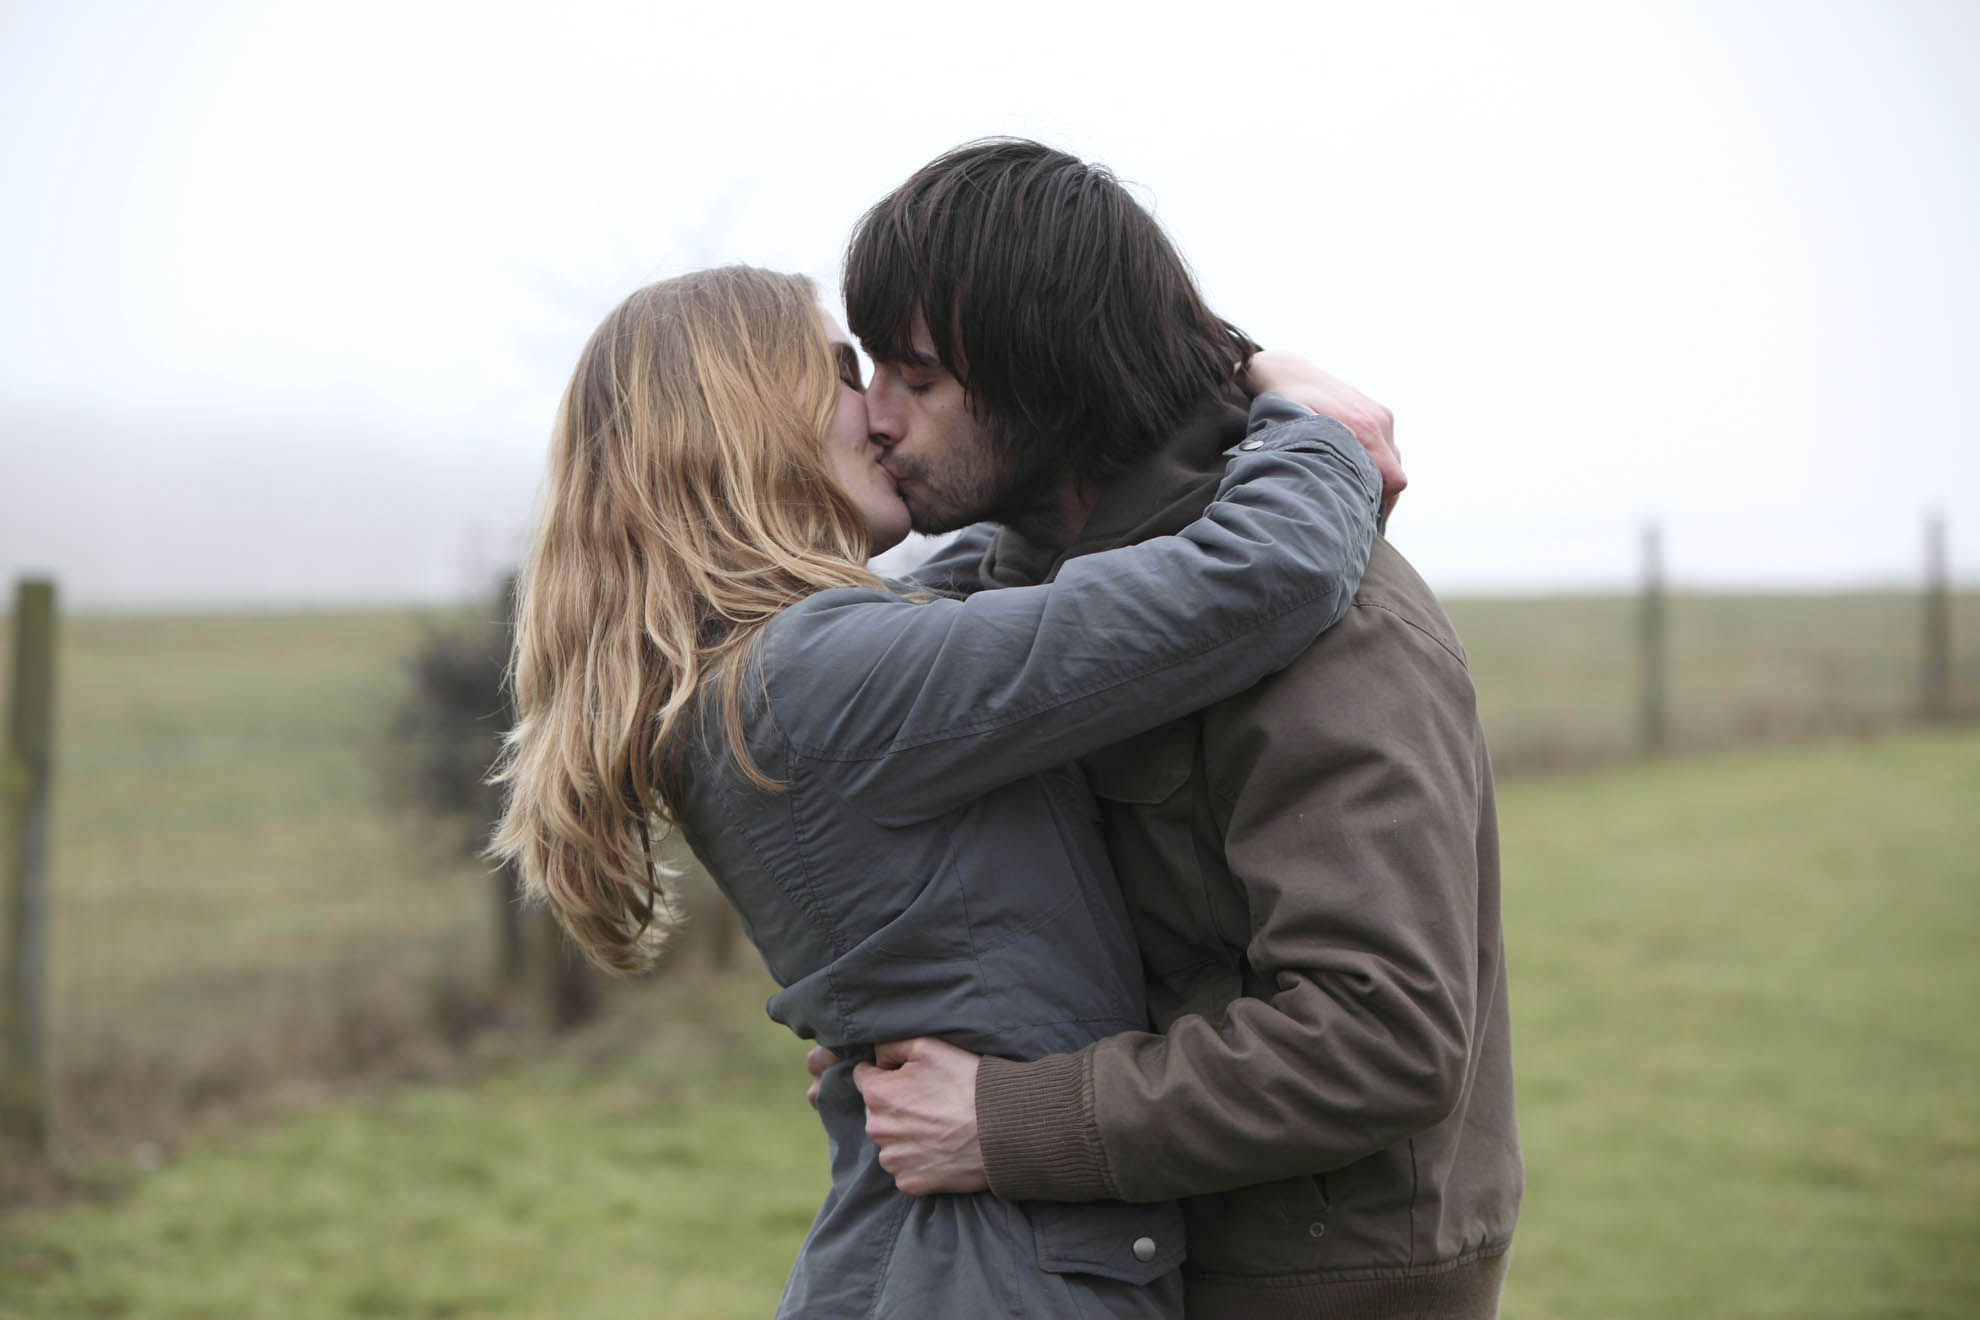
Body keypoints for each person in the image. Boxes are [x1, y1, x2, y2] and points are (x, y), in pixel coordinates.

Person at [487, 264, 1389, 1317]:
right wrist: (1303, 418)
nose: (877, 415)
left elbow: (998, 578)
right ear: (742, 422)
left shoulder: (757, 672)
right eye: (837, 374)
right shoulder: (818, 677)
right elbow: (1260, 577)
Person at [835, 139, 1523, 1319]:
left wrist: (1001, 1121)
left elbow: (1384, 1035)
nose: (876, 420)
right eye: (872, 372)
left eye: (923, 380)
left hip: (1315, 1274)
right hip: (1127, 1241)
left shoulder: (1329, 623)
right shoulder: (1013, 588)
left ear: (1051, 379)